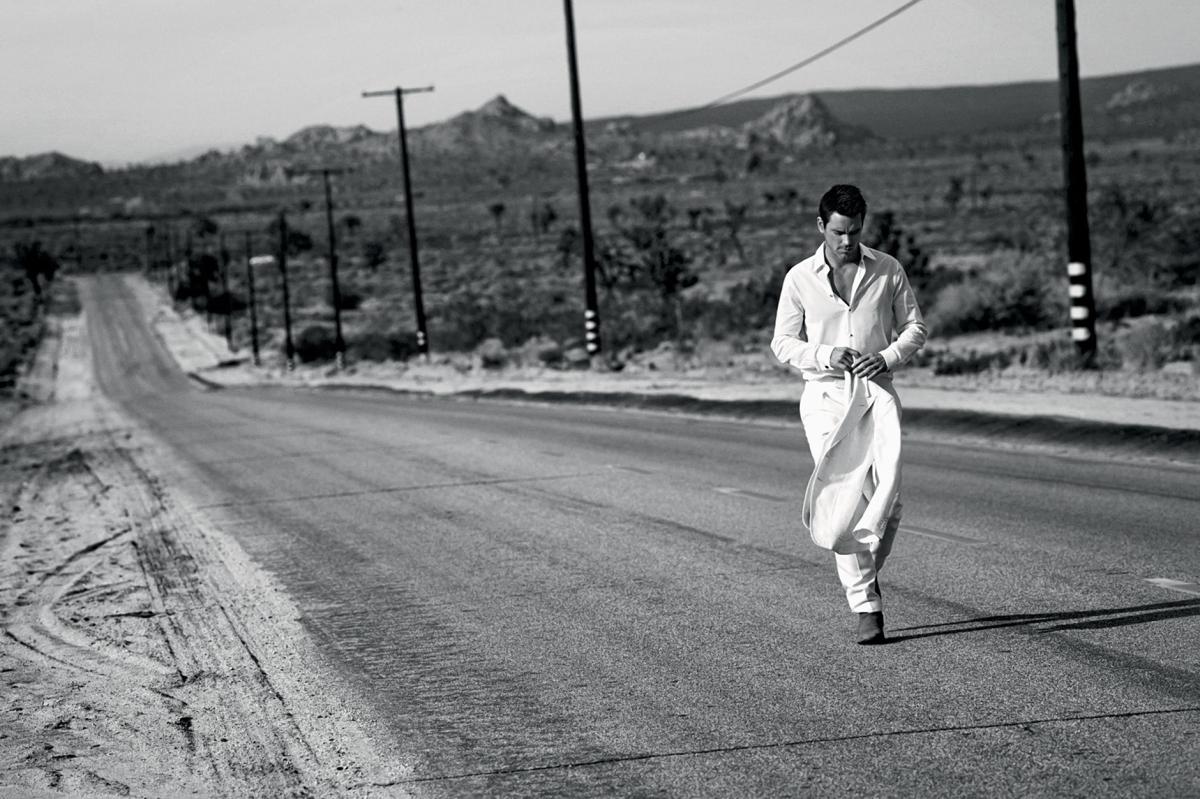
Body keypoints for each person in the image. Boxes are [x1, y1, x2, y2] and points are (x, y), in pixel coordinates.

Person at [770, 184, 927, 644]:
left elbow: (915, 327)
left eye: (854, 232)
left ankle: (860, 568)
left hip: (876, 391)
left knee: (888, 503)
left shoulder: (888, 269)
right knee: (845, 497)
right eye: (838, 232)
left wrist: (889, 356)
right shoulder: (799, 278)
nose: (846, 242)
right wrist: (823, 354)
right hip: (824, 397)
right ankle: (866, 605)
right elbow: (782, 343)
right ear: (821, 226)